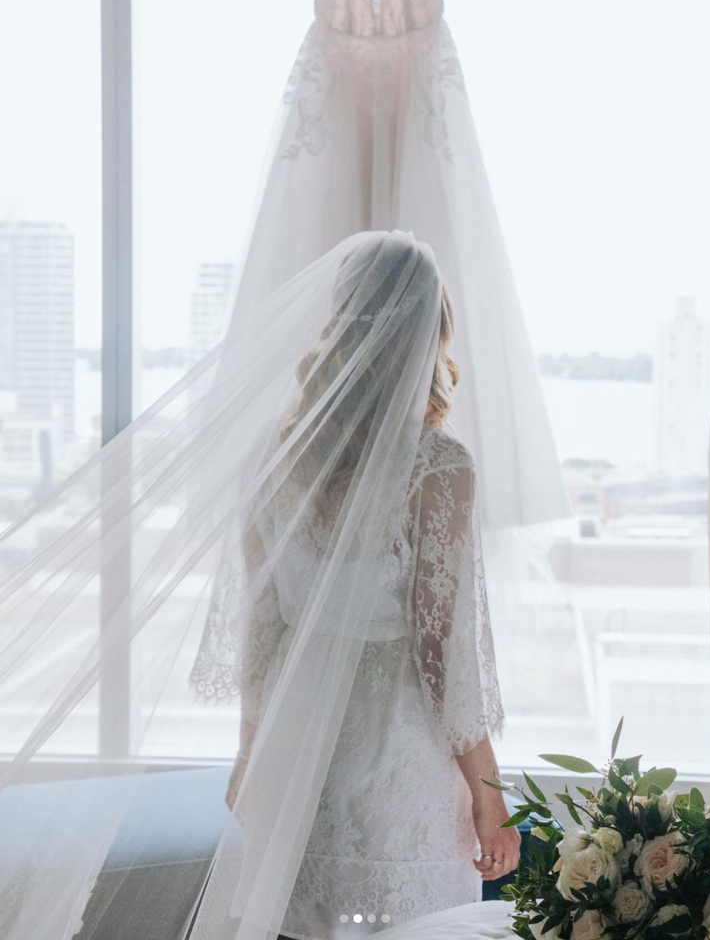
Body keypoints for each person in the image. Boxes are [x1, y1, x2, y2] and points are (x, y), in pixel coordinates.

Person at [210, 229, 520, 939]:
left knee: (302, 925)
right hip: (393, 752)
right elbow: (444, 650)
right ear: (425, 335)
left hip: (297, 750)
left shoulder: (271, 457)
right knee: (401, 925)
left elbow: (260, 624)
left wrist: (249, 754)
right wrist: (487, 794)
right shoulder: (436, 467)